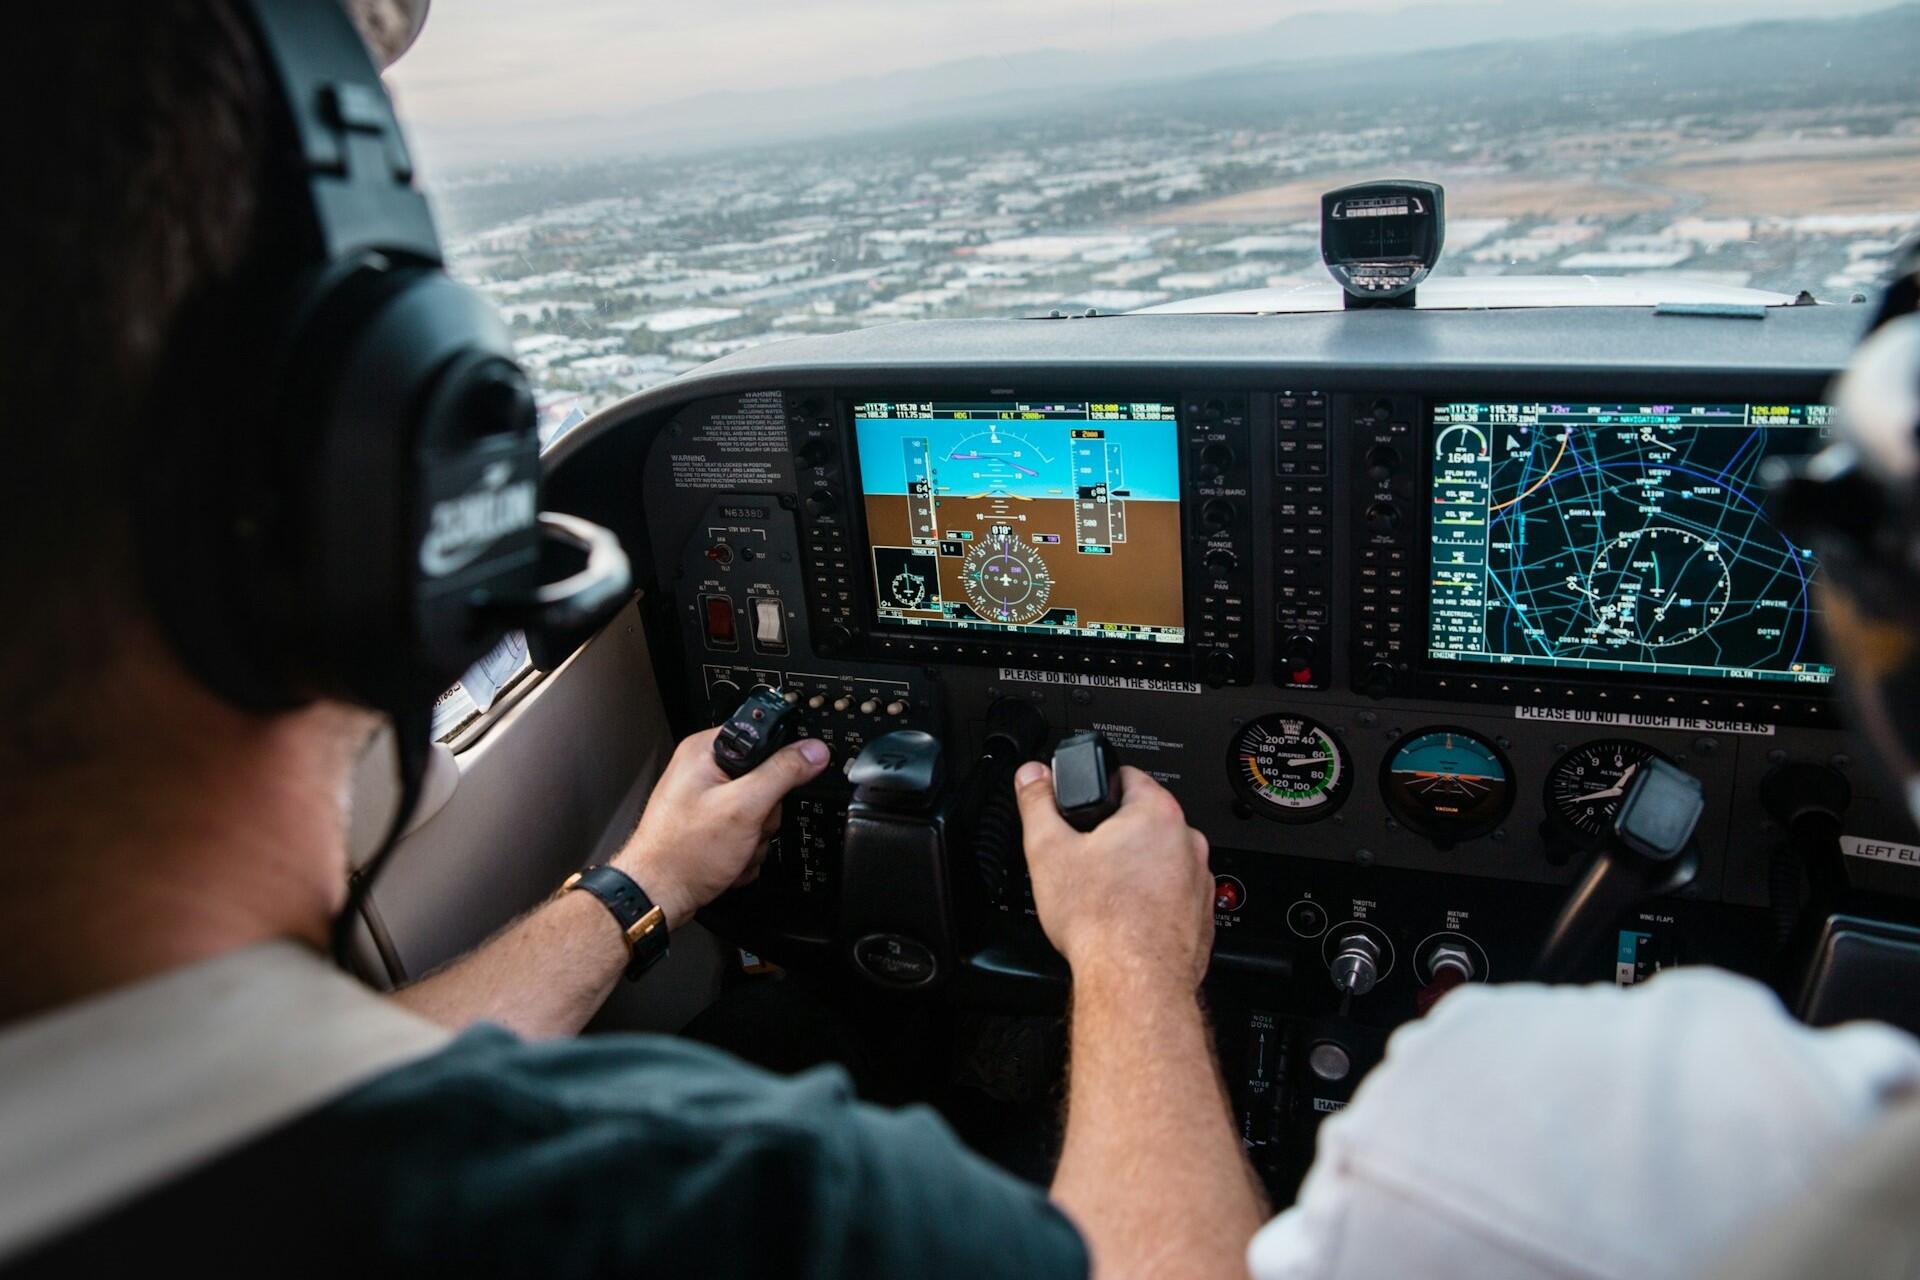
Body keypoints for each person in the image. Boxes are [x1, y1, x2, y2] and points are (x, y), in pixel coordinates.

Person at [0, 3, 1266, 1275]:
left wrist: (643, 877)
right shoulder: (725, 1206)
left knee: (785, 1026)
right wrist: (1134, 958)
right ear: (386, 505)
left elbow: (344, 1071)